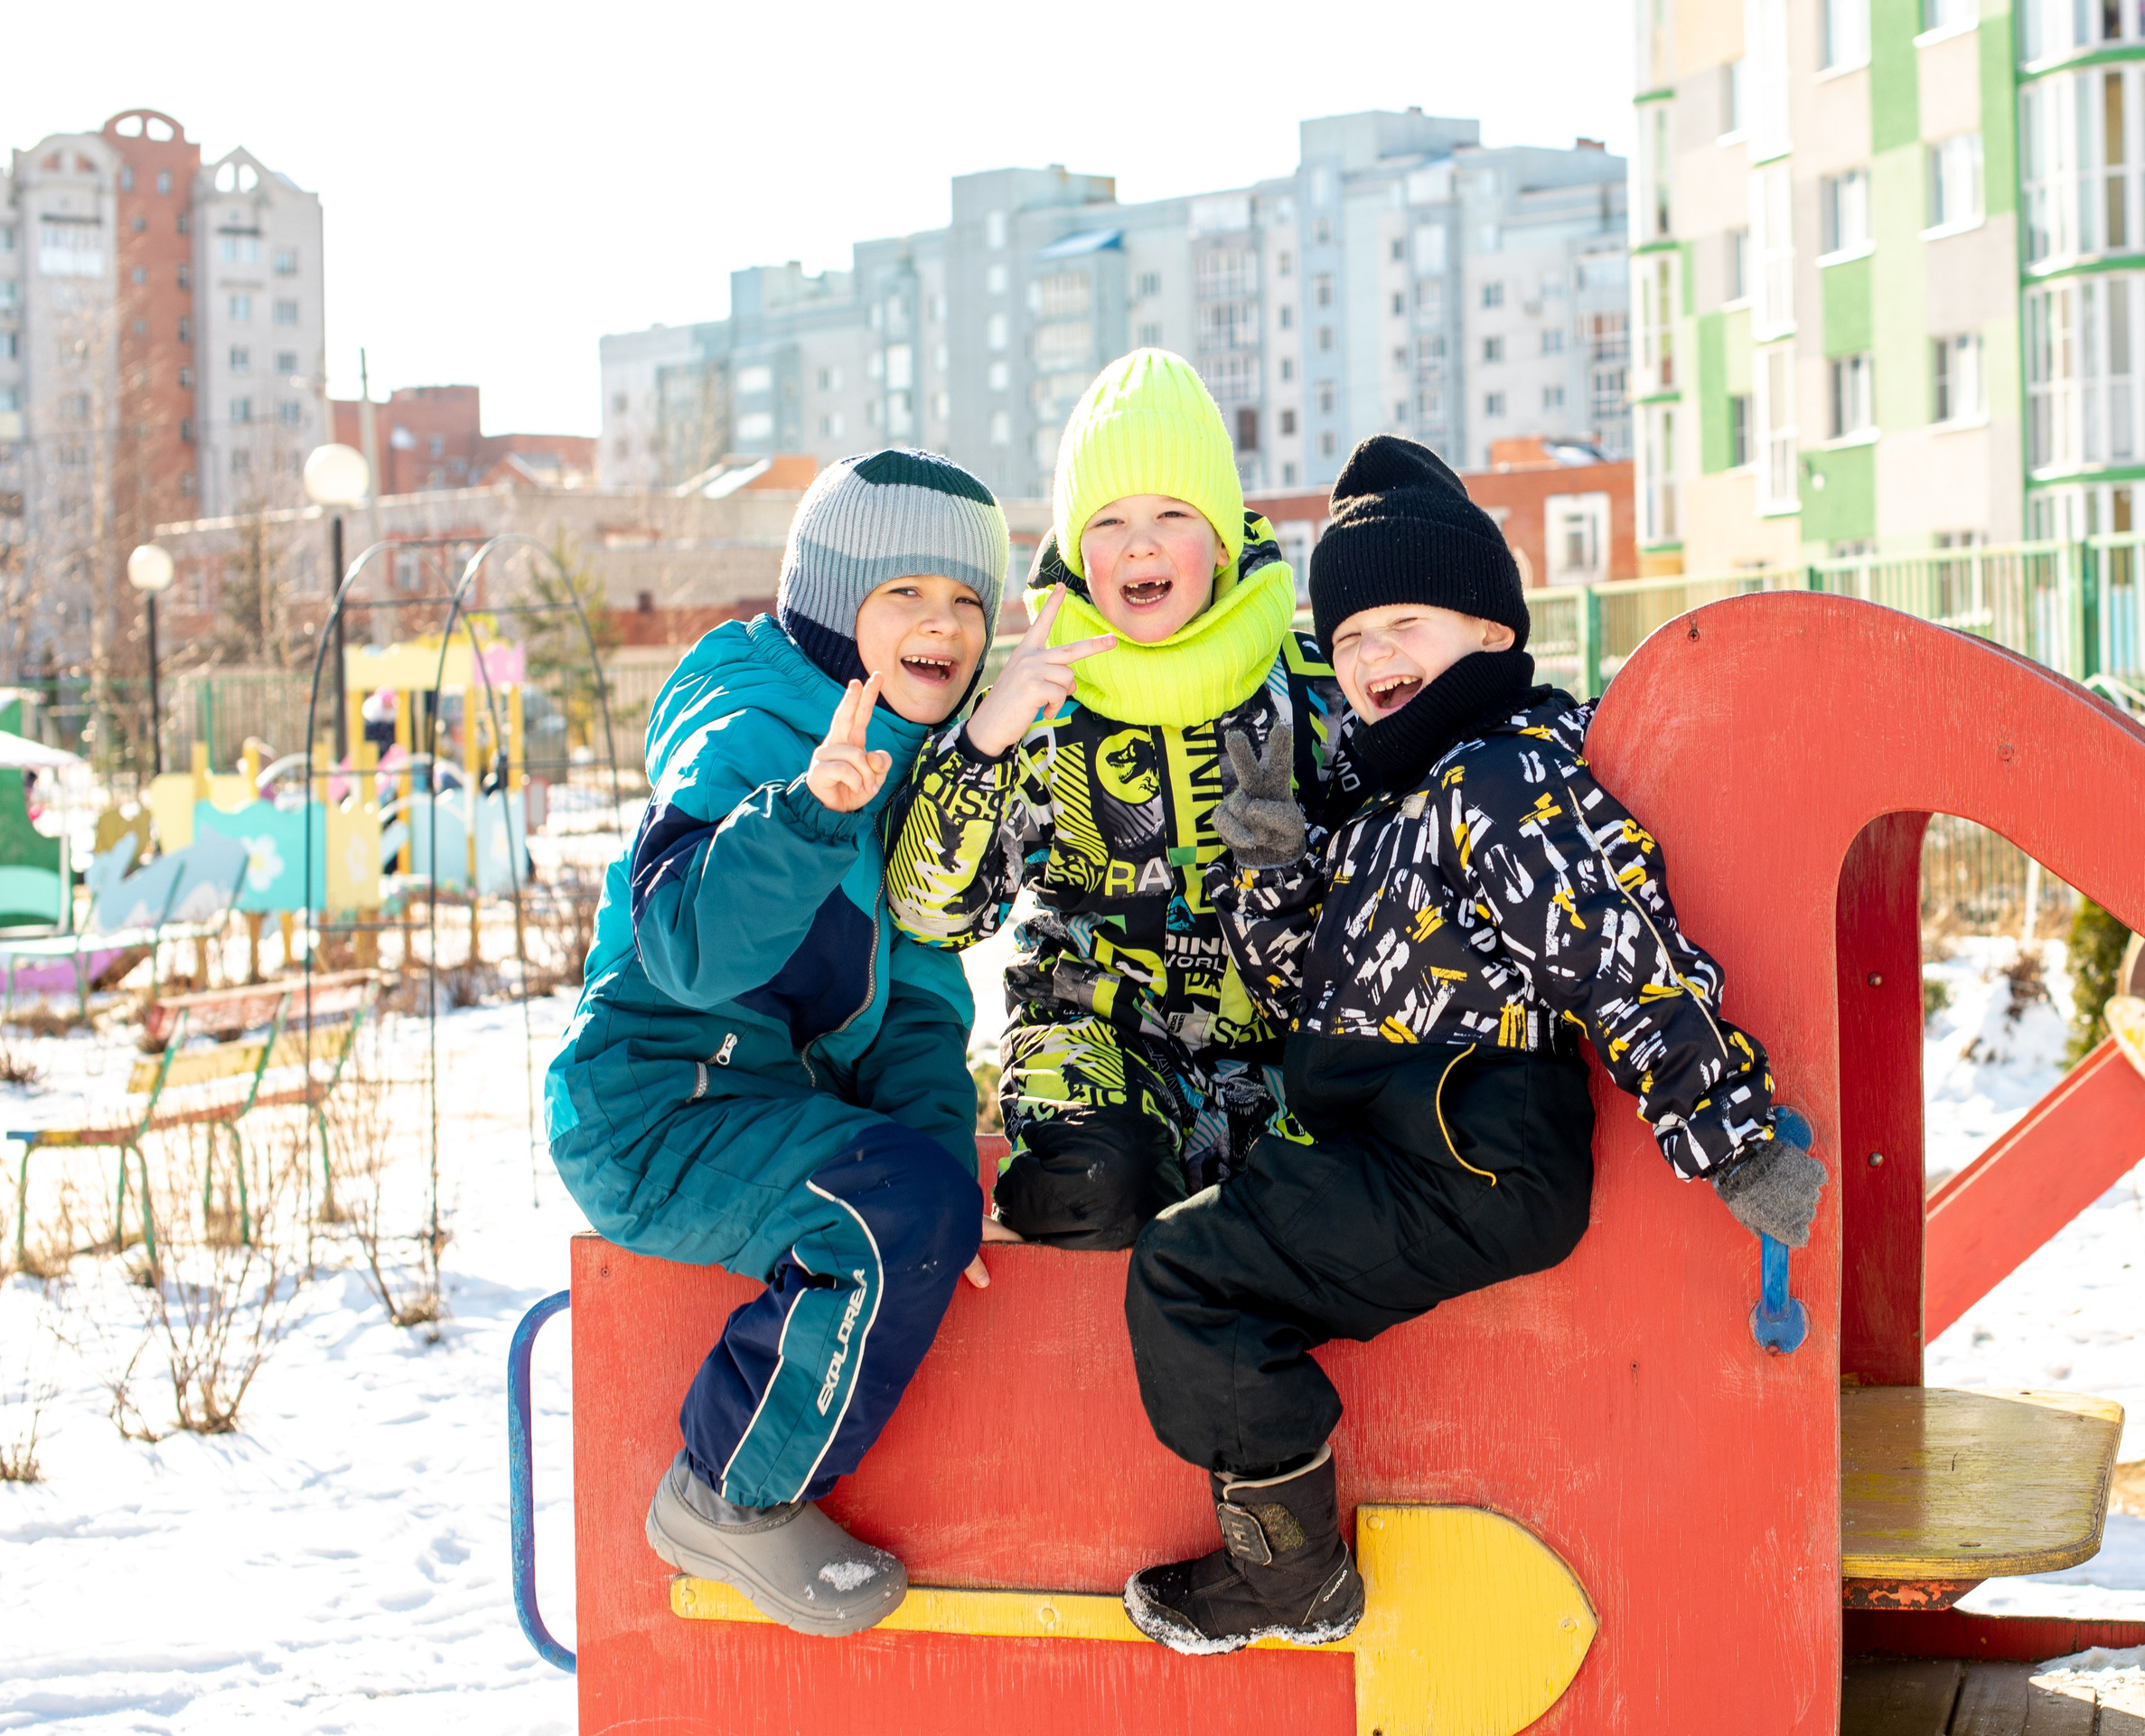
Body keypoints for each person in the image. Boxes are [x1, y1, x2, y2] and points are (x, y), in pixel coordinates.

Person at [1119, 436, 1826, 1654]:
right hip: (1392, 1141)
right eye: (1346, 640)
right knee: (1194, 1251)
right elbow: (1299, 979)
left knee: (1191, 1276)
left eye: (1403, 622)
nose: (1372, 655)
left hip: (1468, 1146)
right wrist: (1269, 848)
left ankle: (1291, 1572)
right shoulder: (1392, 798)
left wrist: (1732, 1133)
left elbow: (1616, 951)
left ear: (1494, 632)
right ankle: (1286, 1548)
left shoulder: (1500, 779)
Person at [543, 448, 1012, 1637]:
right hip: (655, 1111)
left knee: (912, 1198)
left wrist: (939, 1185)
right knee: (879, 1213)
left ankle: (893, 1231)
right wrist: (812, 814)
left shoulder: (913, 766)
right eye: (904, 591)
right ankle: (730, 1495)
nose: (942, 624)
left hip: (771, 1111)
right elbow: (692, 945)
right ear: (829, 595)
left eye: (966, 601)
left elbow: (914, 998)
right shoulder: (750, 723)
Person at [885, 350, 1351, 1250]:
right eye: (1109, 521)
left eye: (1172, 513)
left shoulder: (1306, 684)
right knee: (1095, 1188)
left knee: (1326, 1212)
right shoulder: (1041, 697)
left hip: (1283, 1052)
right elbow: (930, 913)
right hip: (1094, 1038)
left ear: (1218, 539)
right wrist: (985, 740)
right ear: (1075, 552)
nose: (1140, 542)